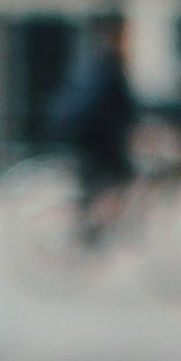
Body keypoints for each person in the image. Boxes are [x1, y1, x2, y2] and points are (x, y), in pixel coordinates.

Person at [52, 16, 137, 244]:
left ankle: (92, 225)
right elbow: (123, 106)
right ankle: (95, 227)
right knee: (123, 176)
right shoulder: (110, 65)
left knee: (96, 183)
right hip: (96, 138)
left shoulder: (96, 62)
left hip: (87, 136)